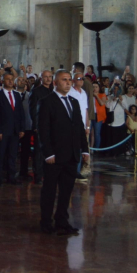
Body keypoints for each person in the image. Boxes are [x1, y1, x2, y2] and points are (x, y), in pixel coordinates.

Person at [37, 69, 89, 235]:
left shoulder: (73, 102)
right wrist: (48, 153)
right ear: (55, 83)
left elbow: (79, 127)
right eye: (64, 80)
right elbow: (43, 130)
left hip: (71, 155)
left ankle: (62, 220)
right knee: (49, 191)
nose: (68, 82)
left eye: (69, 80)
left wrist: (85, 149)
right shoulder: (47, 102)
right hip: (55, 156)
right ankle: (45, 222)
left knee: (66, 191)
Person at [0, 73, 25, 186]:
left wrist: (21, 129)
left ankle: (11, 177)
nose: (10, 81)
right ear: (2, 81)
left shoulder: (17, 95)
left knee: (12, 155)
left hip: (15, 131)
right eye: (8, 79)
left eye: (12, 79)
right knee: (0, 155)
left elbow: (21, 113)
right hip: (3, 131)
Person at [29, 70, 54, 184]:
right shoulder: (36, 91)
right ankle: (38, 175)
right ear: (41, 78)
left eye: (50, 77)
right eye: (46, 77)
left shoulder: (53, 91)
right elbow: (33, 110)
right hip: (40, 126)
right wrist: (36, 125)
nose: (48, 79)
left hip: (52, 126)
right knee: (39, 152)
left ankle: (49, 174)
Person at [68, 72, 90, 179]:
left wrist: (88, 126)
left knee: (82, 148)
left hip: (82, 124)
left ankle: (78, 170)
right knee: (73, 148)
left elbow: (85, 110)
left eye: (82, 78)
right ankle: (72, 170)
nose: (81, 80)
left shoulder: (84, 93)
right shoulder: (70, 92)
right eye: (79, 78)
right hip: (73, 123)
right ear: (73, 80)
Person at [16, 76, 34, 182]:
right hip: (15, 127)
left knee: (26, 151)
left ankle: (24, 171)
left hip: (27, 126)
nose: (21, 81)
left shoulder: (29, 95)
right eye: (19, 80)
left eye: (23, 80)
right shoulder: (13, 94)